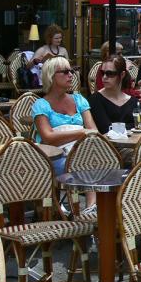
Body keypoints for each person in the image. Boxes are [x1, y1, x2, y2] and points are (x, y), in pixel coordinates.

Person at [33, 57, 97, 214]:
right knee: (84, 162)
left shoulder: (79, 100)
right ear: (51, 76)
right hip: (54, 156)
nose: (71, 75)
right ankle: (78, 207)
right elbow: (48, 137)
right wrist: (81, 132)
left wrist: (82, 134)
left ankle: (91, 207)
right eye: (65, 71)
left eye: (72, 71)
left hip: (81, 152)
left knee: (99, 159)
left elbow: (93, 131)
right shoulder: (41, 105)